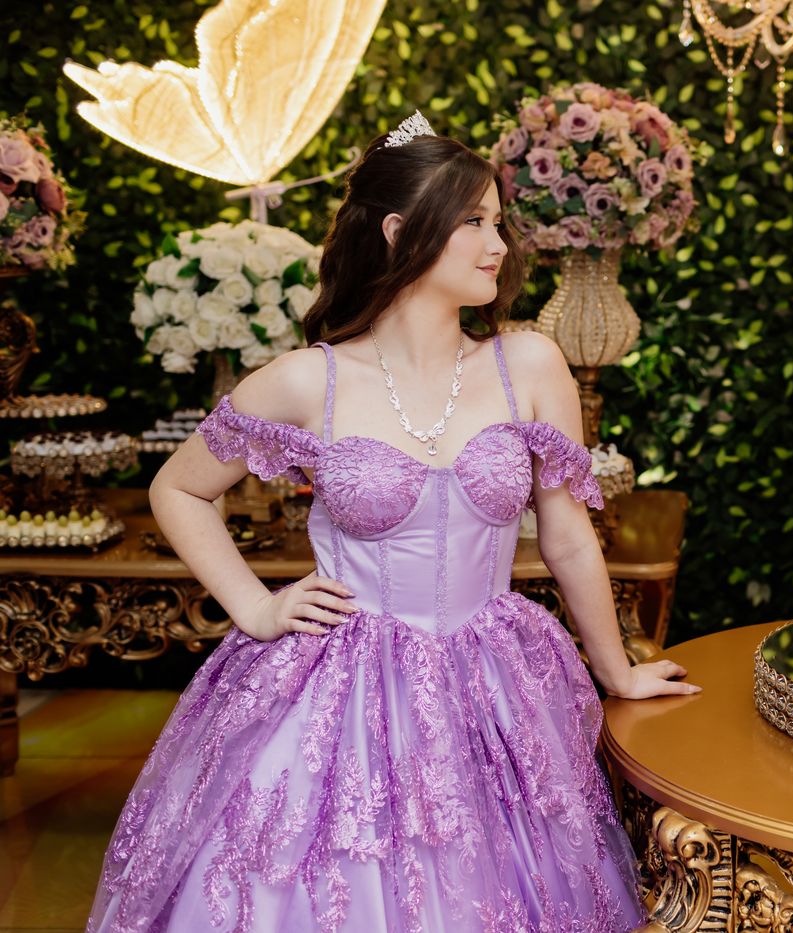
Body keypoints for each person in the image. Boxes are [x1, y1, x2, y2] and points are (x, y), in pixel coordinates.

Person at [88, 112, 697, 932]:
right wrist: (257, 605)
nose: (498, 245)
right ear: (400, 232)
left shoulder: (529, 363)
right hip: (335, 692)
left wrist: (617, 670)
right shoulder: (308, 380)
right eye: (474, 222)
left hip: (491, 684)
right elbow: (179, 489)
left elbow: (566, 537)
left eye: (499, 222)